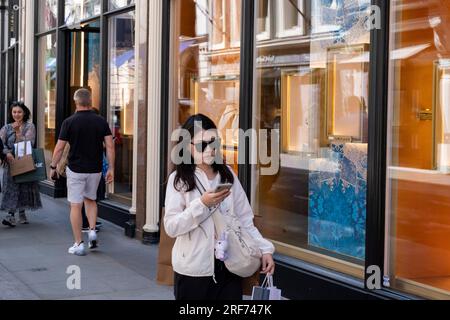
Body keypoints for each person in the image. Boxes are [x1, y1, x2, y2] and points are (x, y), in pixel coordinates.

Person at [164, 114, 275, 301]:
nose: (209, 150)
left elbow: (245, 218)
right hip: (193, 270)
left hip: (229, 266)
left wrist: (265, 249)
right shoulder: (179, 180)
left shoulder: (227, 174)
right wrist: (201, 204)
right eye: (201, 145)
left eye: (213, 142)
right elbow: (172, 227)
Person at [49, 89, 115, 256]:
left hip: (76, 170)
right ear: (90, 101)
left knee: (75, 206)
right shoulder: (101, 121)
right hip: (95, 169)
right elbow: (110, 146)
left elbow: (59, 148)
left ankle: (79, 243)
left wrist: (53, 167)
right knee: (91, 200)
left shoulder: (69, 122)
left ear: (75, 101)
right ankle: (92, 230)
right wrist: (112, 168)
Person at [0, 102, 42, 227]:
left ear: (24, 113)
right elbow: (1, 144)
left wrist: (18, 133)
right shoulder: (6, 128)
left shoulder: (30, 126)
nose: (16, 114)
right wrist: (7, 153)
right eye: (14, 112)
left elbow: (30, 142)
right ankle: (11, 215)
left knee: (24, 186)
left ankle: (22, 213)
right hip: (11, 162)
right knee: (10, 188)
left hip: (25, 161)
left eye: (19, 112)